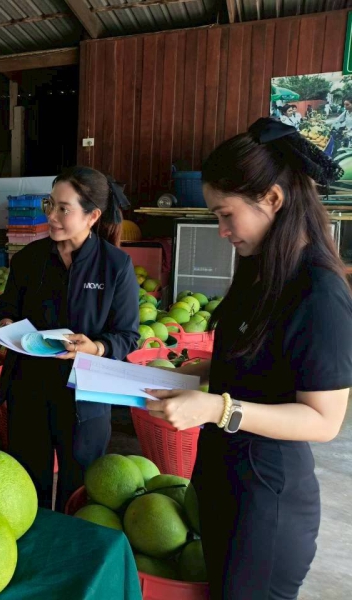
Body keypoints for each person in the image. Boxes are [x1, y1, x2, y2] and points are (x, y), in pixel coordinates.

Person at [145, 118, 352, 600]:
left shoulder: (318, 292)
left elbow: (324, 420)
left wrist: (218, 408)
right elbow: (251, 364)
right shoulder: (260, 273)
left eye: (226, 215)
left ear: (273, 200)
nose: (221, 231)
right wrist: (188, 374)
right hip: (225, 484)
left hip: (267, 505)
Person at [0, 167, 140, 510]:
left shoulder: (115, 266)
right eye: (50, 205)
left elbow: (127, 336)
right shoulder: (29, 259)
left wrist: (97, 347)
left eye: (64, 208)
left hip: (84, 399)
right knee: (29, 488)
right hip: (29, 390)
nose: (51, 216)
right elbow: (7, 306)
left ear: (92, 216)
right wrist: (6, 326)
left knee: (80, 490)